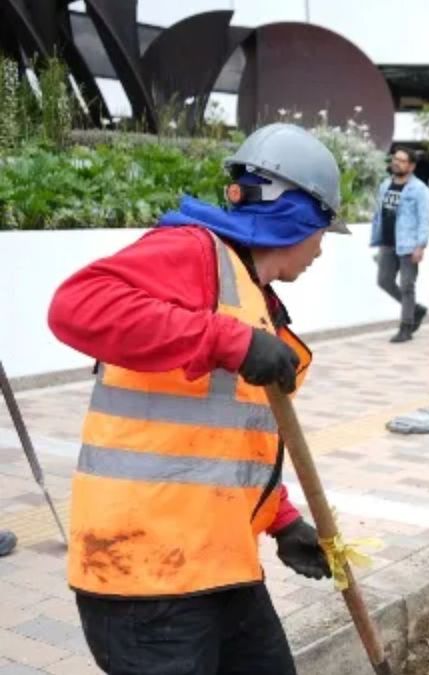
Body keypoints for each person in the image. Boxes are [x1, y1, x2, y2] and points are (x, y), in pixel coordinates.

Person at [47, 123, 339, 675]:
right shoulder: (192, 251)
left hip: (219, 566)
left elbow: (218, 439)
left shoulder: (252, 297)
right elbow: (76, 306)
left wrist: (282, 520)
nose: (322, 250)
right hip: (147, 580)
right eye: (324, 229)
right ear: (299, 219)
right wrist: (226, 341)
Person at [371, 147, 429, 343]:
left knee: (407, 286)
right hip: (388, 243)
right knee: (384, 281)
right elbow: (379, 214)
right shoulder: (385, 185)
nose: (397, 163)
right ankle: (416, 310)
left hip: (408, 244)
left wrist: (420, 245)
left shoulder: (419, 189)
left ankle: (406, 327)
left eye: (402, 161)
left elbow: (425, 218)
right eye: (395, 159)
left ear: (412, 166)